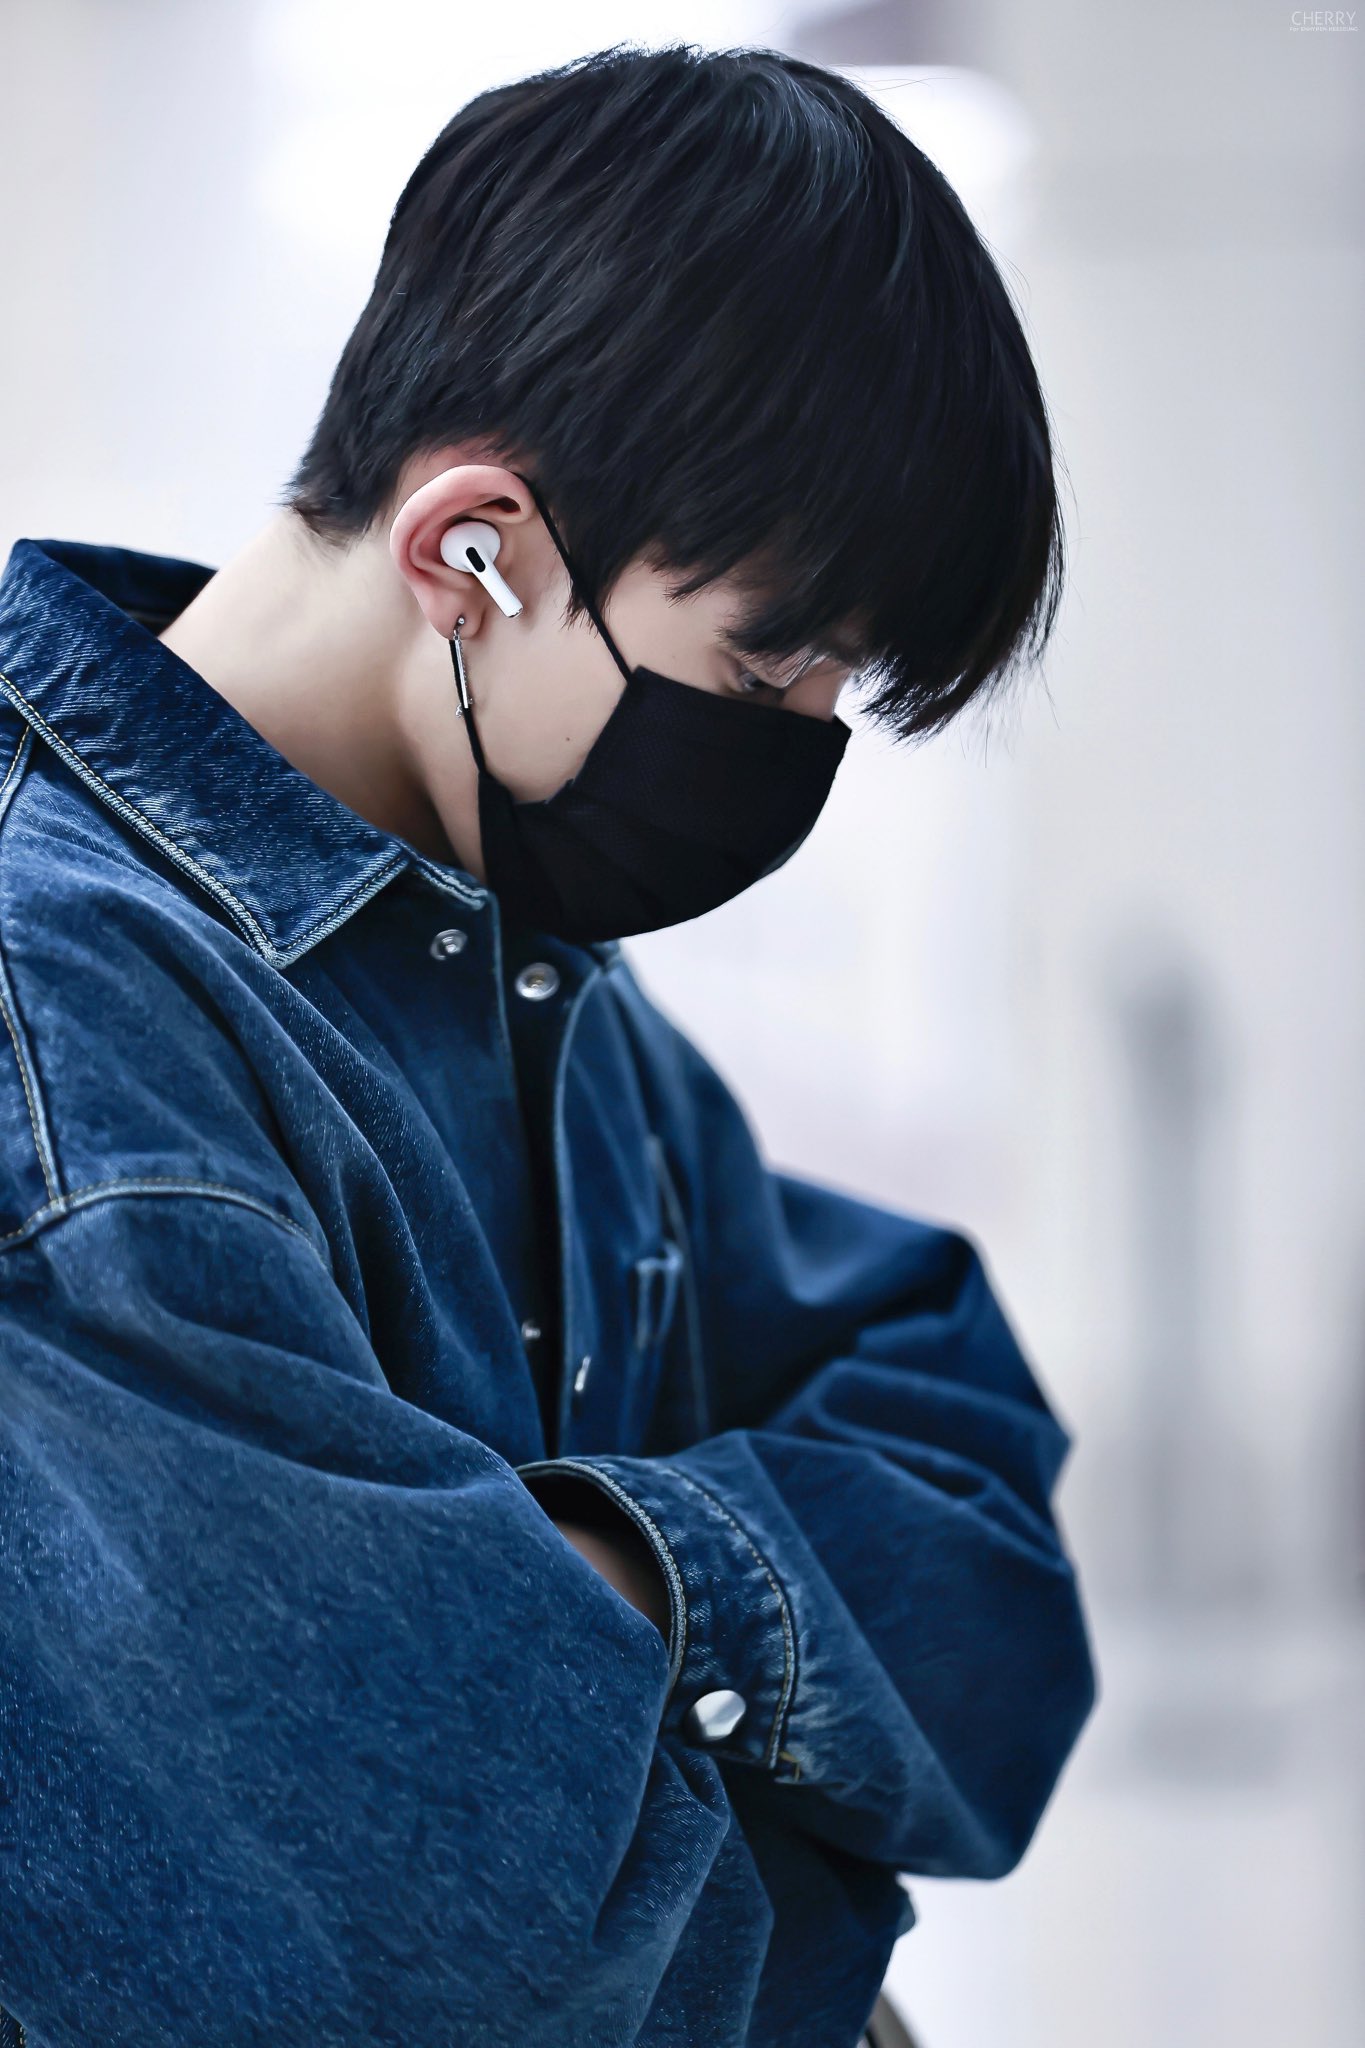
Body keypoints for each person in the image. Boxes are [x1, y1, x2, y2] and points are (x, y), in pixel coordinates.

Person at [0, 41, 1096, 2048]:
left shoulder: (514, 957)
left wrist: (627, 1577)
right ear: (472, 549)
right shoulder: (59, 1033)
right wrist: (811, 1876)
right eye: (766, 666)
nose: (797, 754)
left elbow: (981, 1529)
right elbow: (415, 1933)